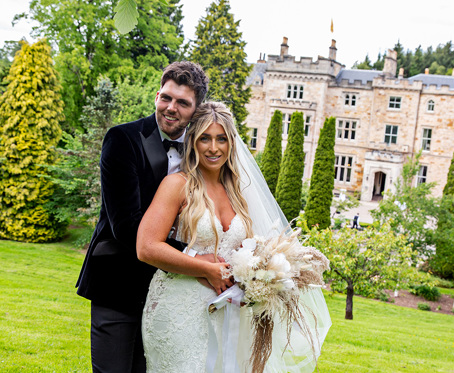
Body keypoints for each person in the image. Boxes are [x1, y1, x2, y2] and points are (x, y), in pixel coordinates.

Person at [137, 102, 331, 372]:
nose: (213, 148)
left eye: (221, 139)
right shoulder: (177, 185)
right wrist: (206, 268)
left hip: (229, 312)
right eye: (205, 138)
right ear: (193, 141)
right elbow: (146, 247)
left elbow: (248, 249)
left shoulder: (239, 192)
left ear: (232, 143)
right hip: (178, 310)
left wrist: (260, 274)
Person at [75, 61, 220, 373]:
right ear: (157, 95)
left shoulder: (202, 154)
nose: (170, 108)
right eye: (165, 97)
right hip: (118, 282)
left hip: (170, 294)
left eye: (182, 102)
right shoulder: (122, 140)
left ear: (196, 110)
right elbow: (125, 227)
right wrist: (199, 261)